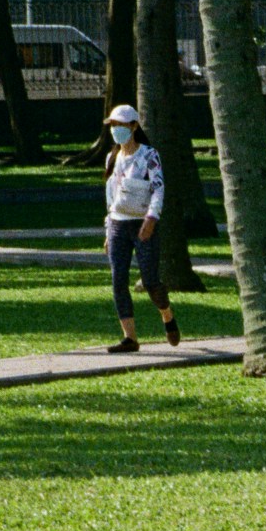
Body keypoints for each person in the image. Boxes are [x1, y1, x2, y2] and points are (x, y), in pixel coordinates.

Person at [101, 102, 179, 354]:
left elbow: (158, 188)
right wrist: (107, 231)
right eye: (113, 126)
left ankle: (167, 315)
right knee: (118, 280)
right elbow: (110, 197)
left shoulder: (148, 155)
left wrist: (151, 218)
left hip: (142, 224)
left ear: (134, 126)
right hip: (117, 224)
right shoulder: (111, 157)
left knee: (150, 280)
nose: (116, 130)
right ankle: (130, 337)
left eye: (121, 125)